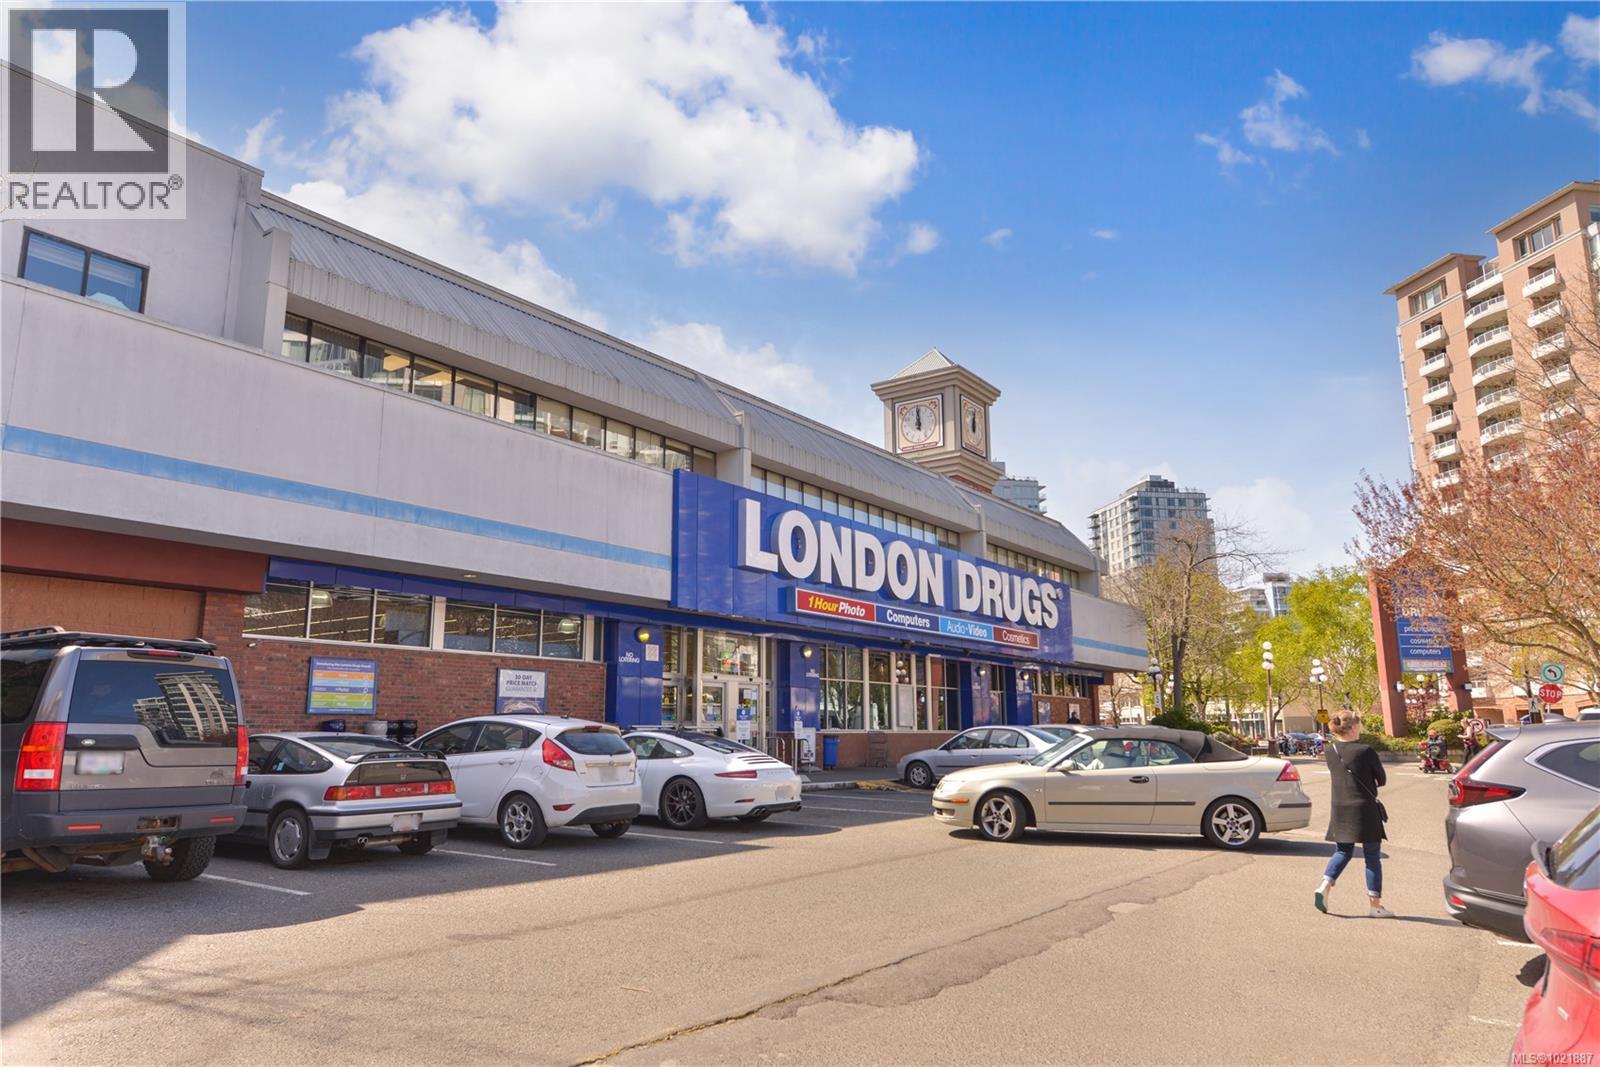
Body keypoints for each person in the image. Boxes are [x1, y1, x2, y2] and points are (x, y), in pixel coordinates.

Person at [1315, 708, 1393, 918]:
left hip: (1340, 807)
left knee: (1343, 851)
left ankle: (1324, 885)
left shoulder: (1330, 751)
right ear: (1353, 727)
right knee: (1372, 856)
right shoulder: (1365, 750)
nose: (1360, 728)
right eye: (1359, 724)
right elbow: (1382, 779)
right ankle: (1375, 906)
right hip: (1364, 808)